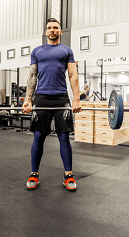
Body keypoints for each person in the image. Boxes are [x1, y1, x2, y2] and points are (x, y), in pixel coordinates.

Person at [22, 18, 80, 191]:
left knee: (64, 136)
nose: (52, 30)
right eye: (49, 28)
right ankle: (34, 174)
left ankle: (68, 175)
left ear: (60, 31)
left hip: (61, 98)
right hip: (41, 98)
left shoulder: (66, 51)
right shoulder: (37, 52)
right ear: (45, 32)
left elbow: (72, 75)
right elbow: (33, 76)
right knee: (39, 136)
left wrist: (76, 98)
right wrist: (28, 99)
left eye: (55, 27)